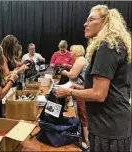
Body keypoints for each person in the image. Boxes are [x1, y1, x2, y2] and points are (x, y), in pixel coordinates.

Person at [54, 5, 131, 152]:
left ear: (105, 22)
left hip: (107, 128)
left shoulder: (106, 47)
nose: (85, 23)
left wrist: (69, 92)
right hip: (113, 125)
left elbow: (98, 95)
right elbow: (108, 90)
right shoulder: (114, 45)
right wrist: (80, 88)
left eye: (91, 19)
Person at [61, 45, 89, 147]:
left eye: (71, 50)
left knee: (82, 113)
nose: (70, 52)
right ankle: (85, 136)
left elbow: (73, 75)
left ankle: (86, 139)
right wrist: (69, 68)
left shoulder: (80, 60)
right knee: (82, 113)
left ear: (76, 51)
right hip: (80, 88)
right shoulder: (80, 60)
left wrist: (65, 72)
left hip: (82, 89)